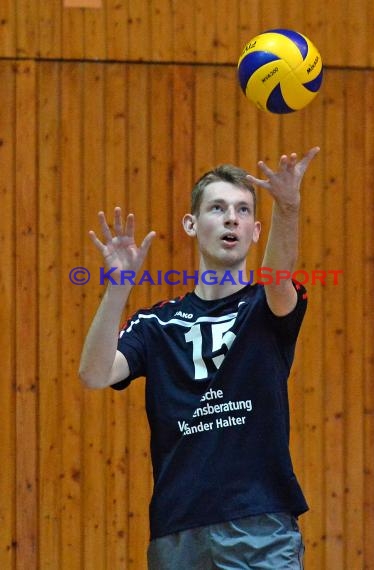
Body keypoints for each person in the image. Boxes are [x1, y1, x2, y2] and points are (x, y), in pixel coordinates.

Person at [79, 146, 320, 569]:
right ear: (191, 223)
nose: (232, 218)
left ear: (256, 230)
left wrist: (289, 207)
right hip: (178, 531)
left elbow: (279, 271)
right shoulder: (157, 324)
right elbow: (95, 374)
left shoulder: (265, 308)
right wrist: (118, 287)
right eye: (218, 208)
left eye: (243, 210)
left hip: (260, 527)